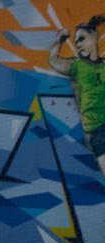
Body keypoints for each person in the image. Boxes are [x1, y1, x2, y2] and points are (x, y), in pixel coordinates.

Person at [49, 18, 105, 173]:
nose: (78, 44)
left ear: (94, 37)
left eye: (82, 39)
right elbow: (53, 60)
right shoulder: (77, 66)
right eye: (76, 41)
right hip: (97, 130)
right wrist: (60, 41)